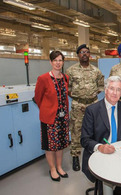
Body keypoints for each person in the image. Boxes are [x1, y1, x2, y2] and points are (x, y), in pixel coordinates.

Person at [81, 76, 121, 195]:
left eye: (118, 89)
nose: (115, 93)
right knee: (106, 181)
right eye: (112, 88)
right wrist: (100, 147)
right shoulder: (92, 110)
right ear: (105, 89)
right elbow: (85, 139)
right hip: (100, 154)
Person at [66, 44, 104, 171]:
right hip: (78, 104)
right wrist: (79, 97)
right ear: (78, 55)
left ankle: (94, 153)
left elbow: (100, 86)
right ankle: (75, 156)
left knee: (94, 130)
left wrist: (90, 95)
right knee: (76, 131)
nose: (84, 54)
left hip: (93, 104)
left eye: (87, 52)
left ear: (90, 55)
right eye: (82, 52)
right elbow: (67, 88)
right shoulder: (71, 71)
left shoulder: (96, 71)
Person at [34, 51, 69, 182]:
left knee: (60, 144)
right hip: (49, 118)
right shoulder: (43, 79)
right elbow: (38, 98)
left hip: (63, 117)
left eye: (60, 60)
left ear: (63, 62)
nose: (58, 63)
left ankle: (59, 167)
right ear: (50, 62)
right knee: (50, 145)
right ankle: (52, 169)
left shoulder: (65, 78)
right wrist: (47, 109)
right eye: (55, 60)